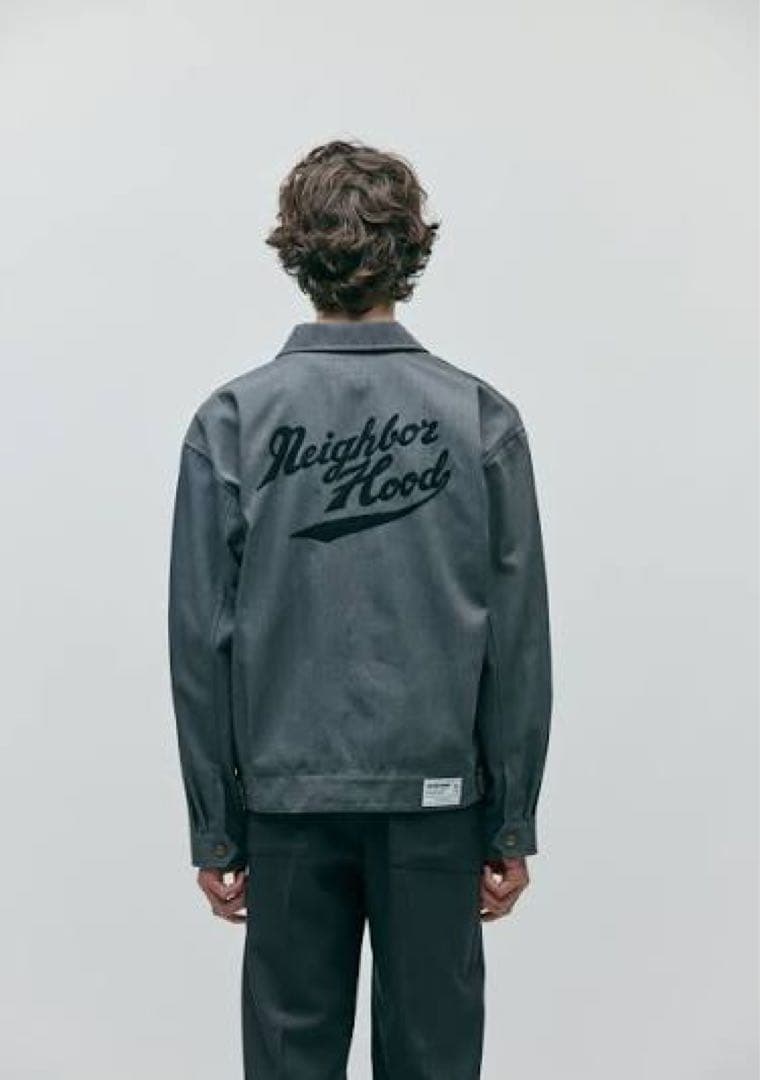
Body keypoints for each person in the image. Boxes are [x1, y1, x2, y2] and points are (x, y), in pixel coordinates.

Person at [167, 138, 553, 1080]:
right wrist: (510, 820)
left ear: (295, 251)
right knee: (433, 1059)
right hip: (436, 804)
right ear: (412, 250)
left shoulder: (233, 423)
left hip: (287, 806)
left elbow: (201, 643)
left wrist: (217, 824)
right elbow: (516, 642)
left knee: (290, 1060)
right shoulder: (479, 421)